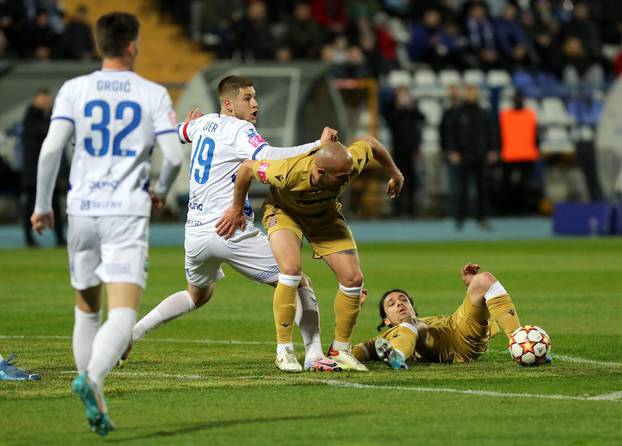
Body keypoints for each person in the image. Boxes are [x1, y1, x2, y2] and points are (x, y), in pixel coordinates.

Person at [30, 12, 183, 436]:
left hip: (80, 211)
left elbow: (50, 151)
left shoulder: (73, 89)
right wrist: (160, 190)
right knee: (123, 310)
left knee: (86, 309)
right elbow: (172, 156)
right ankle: (93, 378)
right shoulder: (152, 93)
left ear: (100, 45)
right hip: (125, 213)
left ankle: (94, 402)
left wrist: (43, 206)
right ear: (133, 45)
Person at [125, 75, 340, 373]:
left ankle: (133, 333)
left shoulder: (203, 123)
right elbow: (269, 157)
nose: (255, 104)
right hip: (231, 230)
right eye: (247, 98)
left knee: (197, 294)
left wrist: (186, 128)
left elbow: (175, 133)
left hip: (196, 232)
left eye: (254, 97)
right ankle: (313, 354)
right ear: (228, 103)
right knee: (299, 281)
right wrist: (319, 145)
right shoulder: (241, 129)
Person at [216, 137, 404, 372]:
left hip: (323, 215)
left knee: (353, 278)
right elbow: (246, 168)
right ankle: (284, 350)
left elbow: (370, 143)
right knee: (291, 269)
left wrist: (395, 173)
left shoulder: (349, 162)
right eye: (342, 177)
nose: (348, 179)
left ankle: (340, 350)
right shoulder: (286, 172)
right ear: (320, 171)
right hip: (283, 212)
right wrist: (236, 208)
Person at [352, 263, 525, 369]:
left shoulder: (429, 320)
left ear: (412, 306)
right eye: (391, 304)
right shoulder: (388, 338)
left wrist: (472, 286)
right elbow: (358, 351)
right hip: (444, 348)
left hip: (461, 330)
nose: (399, 303)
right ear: (386, 320)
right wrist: (353, 306)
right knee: (412, 326)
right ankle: (397, 357)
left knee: (483, 279)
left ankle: (523, 345)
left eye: (403, 299)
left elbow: (489, 317)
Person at [444, 84, 497, 230]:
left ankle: (482, 218)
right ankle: (460, 219)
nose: (472, 95)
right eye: (470, 92)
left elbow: (491, 131)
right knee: (462, 188)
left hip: (480, 155)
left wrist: (492, 149)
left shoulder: (483, 112)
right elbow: (450, 133)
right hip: (464, 156)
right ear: (466, 94)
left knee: (482, 189)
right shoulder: (458, 112)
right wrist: (452, 150)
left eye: (474, 92)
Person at [20, 89, 66, 248]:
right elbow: (44, 139)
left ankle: (60, 237)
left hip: (50, 170)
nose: (46, 102)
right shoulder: (31, 118)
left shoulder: (51, 116)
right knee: (30, 206)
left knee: (55, 206)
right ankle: (28, 237)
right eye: (43, 99)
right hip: (33, 171)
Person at [383, 85, 425, 217]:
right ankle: (397, 209)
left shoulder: (412, 109)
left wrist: (409, 107)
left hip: (412, 150)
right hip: (398, 150)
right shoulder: (393, 109)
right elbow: (390, 122)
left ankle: (412, 209)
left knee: (412, 180)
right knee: (396, 179)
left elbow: (422, 117)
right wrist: (399, 108)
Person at [498, 90, 539, 215]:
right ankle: (508, 210)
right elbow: (499, 135)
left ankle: (523, 210)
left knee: (525, 186)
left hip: (526, 155)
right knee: (508, 186)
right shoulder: (505, 115)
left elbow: (535, 136)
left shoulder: (530, 115)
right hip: (509, 155)